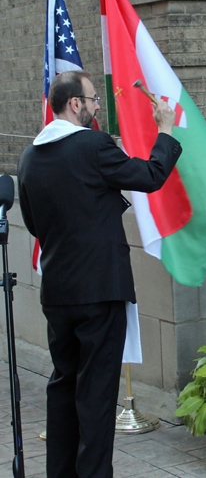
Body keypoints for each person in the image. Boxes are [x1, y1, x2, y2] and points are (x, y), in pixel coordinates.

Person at [17, 70, 181, 478]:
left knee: (63, 387)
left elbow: (36, 226)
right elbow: (149, 176)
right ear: (75, 104)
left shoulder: (29, 156)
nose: (95, 107)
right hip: (99, 291)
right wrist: (165, 129)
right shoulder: (91, 145)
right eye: (92, 100)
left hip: (57, 292)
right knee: (95, 396)